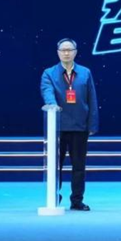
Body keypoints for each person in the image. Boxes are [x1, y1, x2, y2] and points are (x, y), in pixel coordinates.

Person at [41, 38, 99, 211]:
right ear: (58, 52)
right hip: (57, 127)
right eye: (63, 50)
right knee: (55, 166)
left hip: (80, 127)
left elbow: (92, 99)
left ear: (75, 52)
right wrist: (52, 105)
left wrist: (92, 124)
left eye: (69, 50)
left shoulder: (85, 72)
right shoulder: (49, 73)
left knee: (79, 166)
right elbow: (47, 91)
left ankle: (77, 200)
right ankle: (54, 196)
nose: (66, 53)